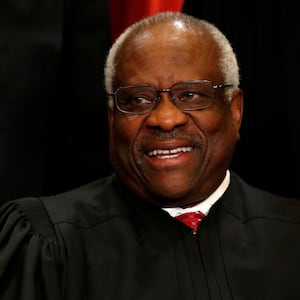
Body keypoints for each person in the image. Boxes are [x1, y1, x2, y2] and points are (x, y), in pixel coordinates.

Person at [0, 11, 299, 300]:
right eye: (138, 99)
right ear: (111, 119)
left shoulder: (290, 235)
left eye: (191, 95)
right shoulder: (48, 244)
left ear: (234, 111)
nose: (166, 118)